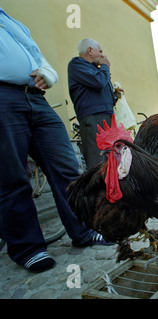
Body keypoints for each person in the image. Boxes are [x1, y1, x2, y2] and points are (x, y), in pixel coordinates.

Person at [0, 9, 110, 273]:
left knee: (68, 169)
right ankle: (29, 248)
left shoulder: (12, 22)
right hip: (4, 97)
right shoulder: (79, 63)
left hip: (36, 98)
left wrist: (48, 73)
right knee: (13, 176)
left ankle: (83, 230)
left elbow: (35, 55)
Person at [68, 38, 122, 169]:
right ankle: (99, 189)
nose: (103, 55)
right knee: (98, 161)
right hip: (93, 118)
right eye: (100, 51)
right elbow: (98, 82)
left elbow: (98, 87)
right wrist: (105, 66)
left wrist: (114, 96)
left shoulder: (94, 69)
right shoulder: (77, 65)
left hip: (106, 116)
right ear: (90, 51)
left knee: (112, 159)